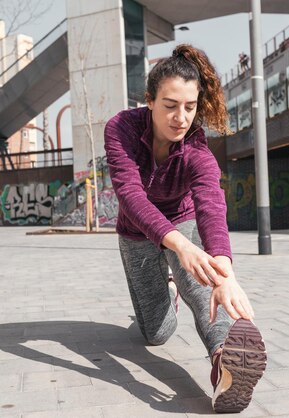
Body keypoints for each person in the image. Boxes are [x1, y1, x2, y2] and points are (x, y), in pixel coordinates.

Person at [104, 44, 266, 413]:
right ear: (149, 100)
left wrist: (224, 271)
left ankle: (223, 363)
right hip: (136, 231)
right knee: (157, 334)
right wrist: (180, 247)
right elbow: (130, 194)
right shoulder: (122, 128)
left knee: (205, 292)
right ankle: (169, 286)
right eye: (170, 105)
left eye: (190, 108)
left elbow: (211, 204)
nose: (181, 117)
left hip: (183, 220)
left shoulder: (197, 151)